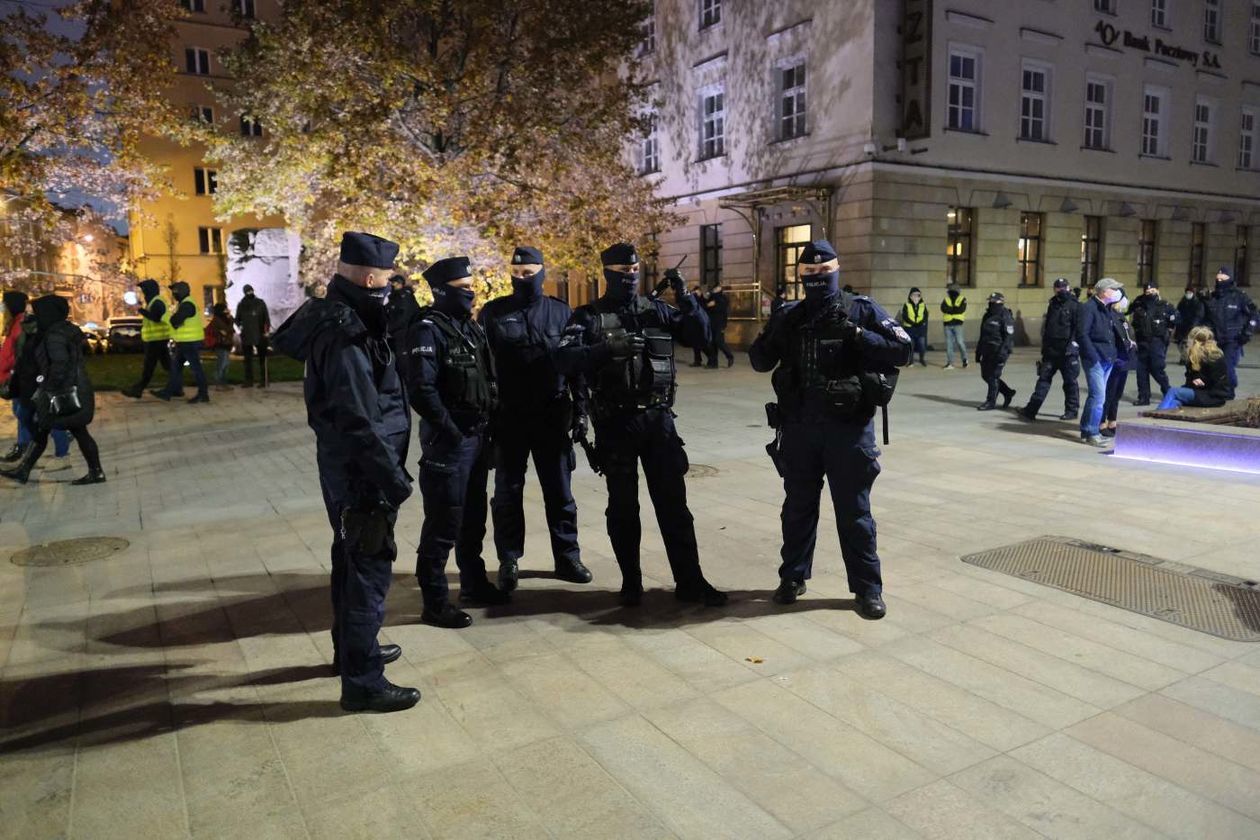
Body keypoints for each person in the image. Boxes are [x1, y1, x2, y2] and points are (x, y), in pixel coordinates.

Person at [271, 231, 418, 714]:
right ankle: (363, 681)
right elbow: (358, 418)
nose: (392, 290)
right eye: (388, 281)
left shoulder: (347, 318)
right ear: (371, 277)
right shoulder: (347, 332)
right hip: (363, 474)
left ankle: (353, 650)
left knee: (350, 558)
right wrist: (391, 478)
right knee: (368, 569)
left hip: (351, 468)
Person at [555, 242, 726, 607]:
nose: (630, 278)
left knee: (674, 506)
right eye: (621, 273)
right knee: (623, 508)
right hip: (616, 423)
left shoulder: (657, 310)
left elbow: (701, 337)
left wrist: (685, 296)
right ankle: (631, 583)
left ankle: (690, 580)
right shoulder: (589, 316)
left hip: (659, 421)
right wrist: (605, 350)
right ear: (607, 274)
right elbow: (564, 360)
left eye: (634, 272)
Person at [749, 239, 911, 619]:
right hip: (800, 428)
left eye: (824, 274)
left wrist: (856, 334)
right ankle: (792, 577)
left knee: (855, 513)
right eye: (810, 275)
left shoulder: (861, 309)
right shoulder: (792, 315)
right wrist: (774, 325)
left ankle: (868, 589)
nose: (818, 280)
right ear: (800, 277)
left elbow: (902, 350)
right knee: (797, 509)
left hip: (848, 430)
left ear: (836, 272)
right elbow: (760, 361)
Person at [392, 255, 509, 630]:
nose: (470, 293)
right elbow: (421, 389)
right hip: (449, 442)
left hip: (477, 438)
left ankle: (473, 583)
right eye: (463, 289)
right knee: (444, 522)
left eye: (471, 286)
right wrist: (450, 429)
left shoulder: (468, 328)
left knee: (473, 517)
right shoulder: (428, 329)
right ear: (442, 291)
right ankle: (435, 601)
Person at [478, 246, 591, 591]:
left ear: (543, 272)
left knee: (560, 491)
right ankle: (509, 559)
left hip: (552, 414)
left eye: (529, 272)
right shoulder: (494, 314)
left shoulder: (560, 313)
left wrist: (582, 410)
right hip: (509, 417)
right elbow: (484, 368)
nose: (523, 278)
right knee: (508, 493)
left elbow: (575, 365)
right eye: (517, 273)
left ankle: (567, 556)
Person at [1, 296, 104, 485]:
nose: (35, 316)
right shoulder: (63, 331)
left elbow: (60, 364)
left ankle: (96, 472)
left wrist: (47, 387)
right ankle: (24, 470)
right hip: (74, 387)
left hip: (64, 390)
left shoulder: (54, 336)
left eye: (38, 312)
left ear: (48, 313)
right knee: (48, 428)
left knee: (69, 429)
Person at [3, 294, 73, 464]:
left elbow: (51, 361)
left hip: (41, 383)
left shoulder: (48, 333)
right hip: (30, 380)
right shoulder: (31, 328)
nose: (29, 314)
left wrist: (45, 382)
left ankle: (60, 455)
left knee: (46, 418)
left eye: (32, 311)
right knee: (29, 415)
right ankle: (29, 456)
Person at [1018, 277, 1079, 421]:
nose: (1060, 290)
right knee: (1043, 380)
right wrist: (1044, 350)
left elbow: (1078, 329)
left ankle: (1071, 411)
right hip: (1051, 351)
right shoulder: (1053, 303)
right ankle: (1030, 410)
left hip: (1067, 352)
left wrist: (1073, 346)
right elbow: (1048, 328)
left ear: (1068, 288)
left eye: (1063, 287)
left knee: (1070, 382)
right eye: (1058, 287)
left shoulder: (1075, 305)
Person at [1077, 277, 1126, 446]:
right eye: (1114, 289)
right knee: (1099, 396)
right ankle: (1092, 432)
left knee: (1097, 396)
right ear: (1105, 291)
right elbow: (1082, 334)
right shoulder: (1089, 308)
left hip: (1108, 358)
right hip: (1096, 359)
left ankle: (1087, 429)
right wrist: (1093, 355)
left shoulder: (1107, 308)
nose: (1117, 293)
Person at [1202, 266, 1257, 399]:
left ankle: (1229, 391)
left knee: (1227, 367)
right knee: (1212, 366)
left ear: (1230, 279)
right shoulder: (1213, 297)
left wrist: (1247, 332)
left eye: (1223, 278)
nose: (1219, 281)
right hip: (1214, 338)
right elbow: (1206, 317)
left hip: (1233, 339)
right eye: (1217, 279)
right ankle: (1216, 391)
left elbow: (1254, 315)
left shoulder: (1239, 296)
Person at [154, 281, 209, 404]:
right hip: (185, 342)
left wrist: (165, 316)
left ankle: (203, 394)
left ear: (182, 291)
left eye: (175, 292)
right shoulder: (185, 304)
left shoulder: (187, 305)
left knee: (195, 369)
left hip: (189, 342)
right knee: (176, 367)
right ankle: (169, 391)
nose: (173, 294)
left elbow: (175, 321)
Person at [121, 278, 174, 399]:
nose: (142, 293)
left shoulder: (156, 302)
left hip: (157, 340)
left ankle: (138, 389)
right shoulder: (154, 302)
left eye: (143, 290)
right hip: (157, 339)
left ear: (149, 291)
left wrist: (140, 310)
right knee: (167, 365)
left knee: (150, 366)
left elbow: (155, 317)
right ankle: (177, 387)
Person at [1158, 326, 1231, 409]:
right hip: (1199, 393)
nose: (1187, 343)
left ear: (1195, 342)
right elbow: (1190, 382)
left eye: (1189, 341)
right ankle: (1160, 418)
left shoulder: (1214, 358)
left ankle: (1154, 415)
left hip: (1213, 397)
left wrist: (1202, 383)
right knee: (1175, 401)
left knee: (1173, 391)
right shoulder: (1193, 358)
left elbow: (1219, 386)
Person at [1128, 280, 1176, 406]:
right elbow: (1127, 313)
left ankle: (1168, 392)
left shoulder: (1165, 305)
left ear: (1157, 290)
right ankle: (1144, 397)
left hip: (1157, 341)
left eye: (1152, 291)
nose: (1149, 293)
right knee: (1141, 371)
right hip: (1142, 341)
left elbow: (1175, 319)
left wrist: (1169, 332)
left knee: (1157, 368)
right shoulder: (1139, 304)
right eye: (1147, 291)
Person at [1101, 294, 1137, 438]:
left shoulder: (1121, 315)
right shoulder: (1109, 316)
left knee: (1117, 393)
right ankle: (1101, 422)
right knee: (1109, 393)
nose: (1125, 302)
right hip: (1115, 359)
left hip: (1124, 360)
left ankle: (1112, 420)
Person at [974, 291, 1017, 410]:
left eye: (994, 302)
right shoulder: (987, 315)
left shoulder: (1005, 315)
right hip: (987, 350)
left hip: (999, 350)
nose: (991, 304)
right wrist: (978, 351)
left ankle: (990, 401)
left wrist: (1003, 353)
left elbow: (1009, 337)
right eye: (990, 302)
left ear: (1000, 302)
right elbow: (982, 335)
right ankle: (1008, 392)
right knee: (986, 375)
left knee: (993, 376)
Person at [235, 284, 271, 388]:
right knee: (247, 360)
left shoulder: (260, 303)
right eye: (248, 291)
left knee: (262, 359)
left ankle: (264, 379)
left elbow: (266, 319)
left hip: (260, 334)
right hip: (246, 335)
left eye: (251, 291)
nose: (250, 293)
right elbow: (237, 319)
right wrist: (241, 327)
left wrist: (266, 331)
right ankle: (248, 380)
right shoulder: (241, 305)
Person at [704, 283, 735, 368]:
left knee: (719, 341)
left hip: (720, 323)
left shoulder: (723, 297)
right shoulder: (710, 297)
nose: (715, 289)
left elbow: (722, 309)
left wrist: (714, 304)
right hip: (711, 322)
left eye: (717, 288)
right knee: (711, 343)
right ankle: (713, 363)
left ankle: (729, 356)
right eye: (714, 288)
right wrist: (708, 304)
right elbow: (705, 306)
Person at [940, 282, 969, 369]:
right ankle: (950, 363)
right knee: (949, 345)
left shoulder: (962, 299)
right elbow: (943, 308)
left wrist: (950, 310)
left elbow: (961, 310)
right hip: (947, 324)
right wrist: (953, 310)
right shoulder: (946, 299)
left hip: (957, 324)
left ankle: (965, 359)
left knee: (960, 342)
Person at [898, 287, 928, 367]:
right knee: (911, 345)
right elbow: (905, 316)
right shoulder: (906, 305)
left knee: (922, 345)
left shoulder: (923, 305)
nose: (916, 297)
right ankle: (910, 361)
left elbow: (926, 315)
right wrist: (912, 323)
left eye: (918, 295)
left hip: (920, 328)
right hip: (910, 328)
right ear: (910, 296)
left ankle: (922, 359)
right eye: (914, 295)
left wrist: (920, 322)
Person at [208, 303, 235, 388]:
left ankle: (224, 382)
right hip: (220, 344)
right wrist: (229, 323)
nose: (227, 310)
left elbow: (229, 331)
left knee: (226, 364)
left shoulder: (227, 319)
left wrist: (230, 321)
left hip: (227, 344)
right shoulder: (217, 320)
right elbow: (225, 330)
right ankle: (218, 382)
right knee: (221, 364)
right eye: (225, 309)